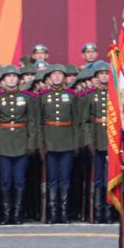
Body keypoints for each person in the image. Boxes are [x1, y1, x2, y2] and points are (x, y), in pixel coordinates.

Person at [0, 65, 39, 224]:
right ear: (2, 81)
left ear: (19, 80)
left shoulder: (27, 98)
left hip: (21, 142)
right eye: (8, 77)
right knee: (6, 180)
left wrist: (31, 144)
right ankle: (6, 212)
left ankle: (17, 213)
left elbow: (32, 123)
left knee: (19, 180)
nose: (11, 79)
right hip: (3, 144)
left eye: (14, 77)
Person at [39, 64, 81, 223]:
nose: (57, 77)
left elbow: (76, 121)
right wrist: (41, 143)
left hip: (67, 141)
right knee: (52, 178)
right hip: (49, 141)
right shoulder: (43, 96)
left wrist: (76, 143)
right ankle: (52, 212)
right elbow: (38, 122)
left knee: (64, 178)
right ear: (49, 78)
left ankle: (63, 212)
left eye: (60, 74)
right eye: (54, 74)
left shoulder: (71, 95)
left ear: (64, 78)